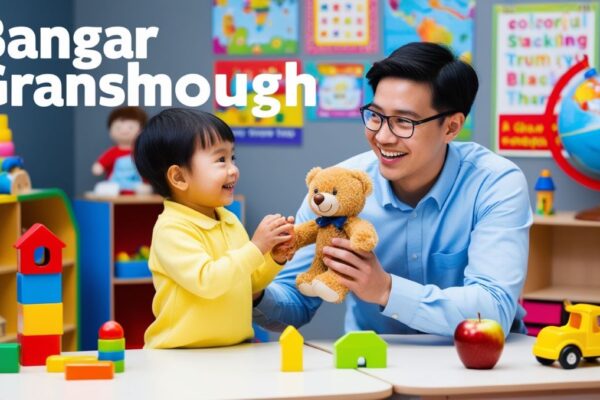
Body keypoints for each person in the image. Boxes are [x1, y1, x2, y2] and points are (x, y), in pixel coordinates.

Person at [253, 42, 533, 337]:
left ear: (451, 127)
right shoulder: (335, 191)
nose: (383, 137)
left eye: (404, 121)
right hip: (375, 364)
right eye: (375, 116)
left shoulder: (495, 184)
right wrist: (254, 294)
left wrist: (386, 289)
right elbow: (295, 303)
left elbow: (493, 309)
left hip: (481, 362)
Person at [134, 108, 294, 348]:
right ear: (178, 177)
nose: (233, 169)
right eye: (220, 160)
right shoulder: (171, 229)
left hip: (233, 348)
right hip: (181, 355)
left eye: (232, 158)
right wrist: (256, 246)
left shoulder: (229, 220)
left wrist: (274, 257)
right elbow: (208, 281)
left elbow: (246, 282)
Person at [92, 106, 149, 194]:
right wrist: (98, 167)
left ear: (141, 130)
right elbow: (98, 168)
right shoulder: (113, 152)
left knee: (145, 189)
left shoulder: (140, 152)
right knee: (102, 188)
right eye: (118, 127)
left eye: (130, 127)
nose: (124, 131)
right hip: (115, 189)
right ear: (110, 131)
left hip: (137, 188)